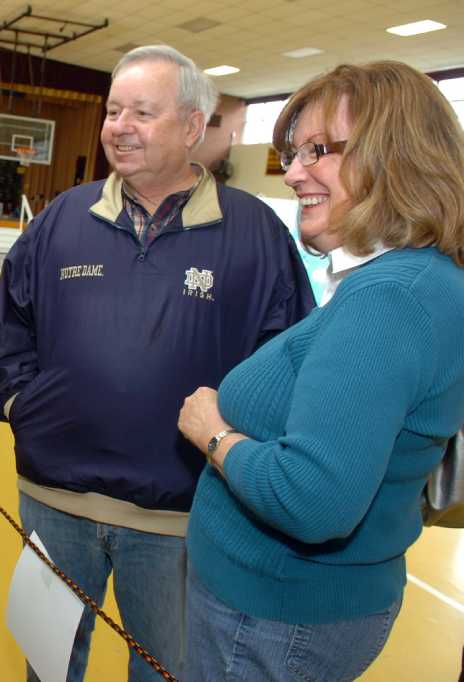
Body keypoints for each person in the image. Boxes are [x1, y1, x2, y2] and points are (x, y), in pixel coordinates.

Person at [0, 44, 315, 682]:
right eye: (113, 111)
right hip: (56, 502)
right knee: (47, 666)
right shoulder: (59, 222)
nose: (119, 126)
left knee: (167, 669)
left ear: (192, 126)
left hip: (181, 518)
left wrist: (234, 448)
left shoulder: (256, 234)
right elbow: (8, 337)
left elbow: (290, 364)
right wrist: (27, 408)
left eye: (141, 112)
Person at [178, 60, 464, 682]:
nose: (293, 171)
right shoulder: (417, 280)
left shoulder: (391, 298)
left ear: (394, 156)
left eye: (317, 150)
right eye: (293, 151)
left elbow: (314, 500)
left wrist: (213, 432)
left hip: (271, 620)